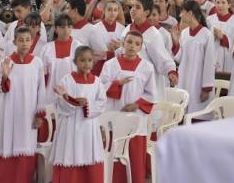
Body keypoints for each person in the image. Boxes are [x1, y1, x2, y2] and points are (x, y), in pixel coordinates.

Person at [0, 26, 46, 183]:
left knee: (25, 146)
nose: (24, 43)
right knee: (6, 144)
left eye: (27, 40)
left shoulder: (37, 63)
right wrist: (5, 77)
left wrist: (39, 114)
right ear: (14, 41)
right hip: (8, 112)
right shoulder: (6, 61)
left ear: (32, 42)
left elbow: (41, 90)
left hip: (28, 115)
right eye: (21, 40)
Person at [100, 31, 156, 183]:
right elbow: (100, 88)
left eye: (137, 44)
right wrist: (117, 84)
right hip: (114, 115)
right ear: (123, 43)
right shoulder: (110, 65)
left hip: (136, 117)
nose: (132, 46)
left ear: (141, 47)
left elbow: (151, 95)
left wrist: (136, 104)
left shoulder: (147, 67)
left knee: (134, 156)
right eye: (129, 42)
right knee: (114, 155)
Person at [51, 46, 106, 182]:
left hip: (89, 127)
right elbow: (59, 104)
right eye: (82, 60)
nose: (86, 63)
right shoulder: (67, 80)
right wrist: (67, 98)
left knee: (90, 155)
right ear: (75, 62)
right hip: (71, 126)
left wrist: (87, 104)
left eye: (89, 60)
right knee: (70, 155)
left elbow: (102, 103)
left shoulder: (97, 82)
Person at [121, 0, 177, 100]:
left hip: (147, 80)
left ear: (146, 13)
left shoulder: (153, 34)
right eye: (132, 6)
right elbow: (122, 52)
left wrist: (171, 71)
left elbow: (162, 57)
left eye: (137, 7)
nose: (133, 9)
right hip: (129, 78)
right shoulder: (127, 28)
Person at [172, 0, 215, 113]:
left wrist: (206, 88)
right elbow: (180, 58)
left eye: (182, 12)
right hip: (185, 78)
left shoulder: (207, 35)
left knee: (196, 113)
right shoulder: (185, 33)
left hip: (199, 81)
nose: (180, 15)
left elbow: (210, 62)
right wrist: (176, 42)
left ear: (190, 13)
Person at [43, 14, 83, 104]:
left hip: (74, 92)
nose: (66, 30)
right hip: (51, 93)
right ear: (56, 29)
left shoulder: (79, 47)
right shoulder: (47, 48)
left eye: (69, 26)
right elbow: (42, 74)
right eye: (62, 27)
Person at [206, 0, 234, 73]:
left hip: (228, 58)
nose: (220, 5)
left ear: (229, 4)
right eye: (217, 2)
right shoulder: (209, 20)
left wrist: (223, 38)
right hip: (212, 55)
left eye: (223, 2)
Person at [93, 0, 125, 74]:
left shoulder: (123, 29)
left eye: (115, 10)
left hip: (117, 67)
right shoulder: (94, 29)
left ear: (118, 12)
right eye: (109, 9)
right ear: (104, 11)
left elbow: (124, 50)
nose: (112, 13)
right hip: (99, 66)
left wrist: (120, 47)